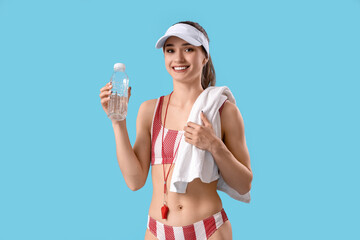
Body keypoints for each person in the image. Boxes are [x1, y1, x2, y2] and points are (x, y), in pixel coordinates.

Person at [99, 21, 253, 240]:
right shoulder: (149, 110)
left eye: (188, 49)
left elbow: (244, 183)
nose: (178, 58)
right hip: (156, 231)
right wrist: (118, 121)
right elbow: (135, 182)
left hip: (208, 231)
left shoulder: (222, 112)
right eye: (170, 50)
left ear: (205, 56)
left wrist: (214, 146)